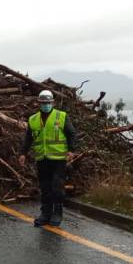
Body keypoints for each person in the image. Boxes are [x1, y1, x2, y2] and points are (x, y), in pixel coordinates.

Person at [18, 90, 77, 227]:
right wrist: (23, 153)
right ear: (39, 103)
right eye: (43, 103)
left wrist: (71, 151)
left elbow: (71, 133)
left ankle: (57, 213)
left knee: (57, 186)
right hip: (42, 158)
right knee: (45, 188)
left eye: (48, 103)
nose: (46, 105)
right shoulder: (33, 119)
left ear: (52, 103)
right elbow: (28, 138)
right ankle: (45, 213)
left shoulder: (61, 116)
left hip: (58, 159)